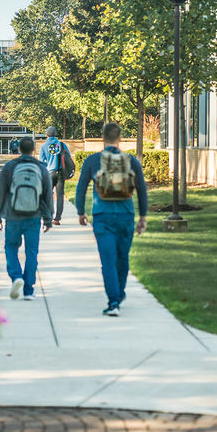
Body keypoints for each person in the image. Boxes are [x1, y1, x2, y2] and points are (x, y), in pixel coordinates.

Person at [75, 122, 147, 317]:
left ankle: (113, 301)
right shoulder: (131, 160)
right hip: (126, 215)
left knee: (107, 260)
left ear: (103, 138)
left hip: (102, 216)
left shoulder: (93, 160)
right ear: (120, 139)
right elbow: (142, 190)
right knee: (123, 258)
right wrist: (143, 217)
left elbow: (80, 188)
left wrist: (81, 212)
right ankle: (119, 293)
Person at [0, 136, 53, 301]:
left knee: (11, 247)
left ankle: (16, 276)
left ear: (19, 149)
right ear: (33, 150)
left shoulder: (10, 167)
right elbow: (48, 196)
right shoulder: (41, 169)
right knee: (31, 252)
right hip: (34, 216)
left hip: (13, 216)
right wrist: (48, 219)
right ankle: (28, 290)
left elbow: (1, 193)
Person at [39, 126, 70, 226]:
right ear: (55, 134)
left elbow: (41, 162)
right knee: (60, 195)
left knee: (47, 196)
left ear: (47, 135)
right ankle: (57, 219)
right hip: (60, 173)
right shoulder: (62, 144)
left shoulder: (43, 146)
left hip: (49, 173)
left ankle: (48, 216)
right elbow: (68, 157)